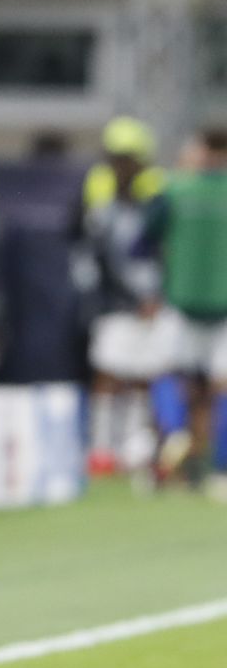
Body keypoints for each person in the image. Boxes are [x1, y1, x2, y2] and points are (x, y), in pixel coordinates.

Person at [69, 117, 167, 477]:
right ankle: (101, 448)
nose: (121, 165)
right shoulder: (97, 191)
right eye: (116, 157)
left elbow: (155, 253)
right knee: (107, 371)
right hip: (110, 302)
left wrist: (153, 294)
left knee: (143, 374)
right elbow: (85, 247)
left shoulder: (155, 195)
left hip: (146, 303)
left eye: (128, 157)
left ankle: (133, 447)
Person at [142, 128, 227, 499]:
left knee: (171, 376)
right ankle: (217, 471)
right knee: (220, 389)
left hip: (180, 302)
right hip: (222, 306)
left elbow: (141, 240)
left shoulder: (175, 189)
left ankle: (173, 445)